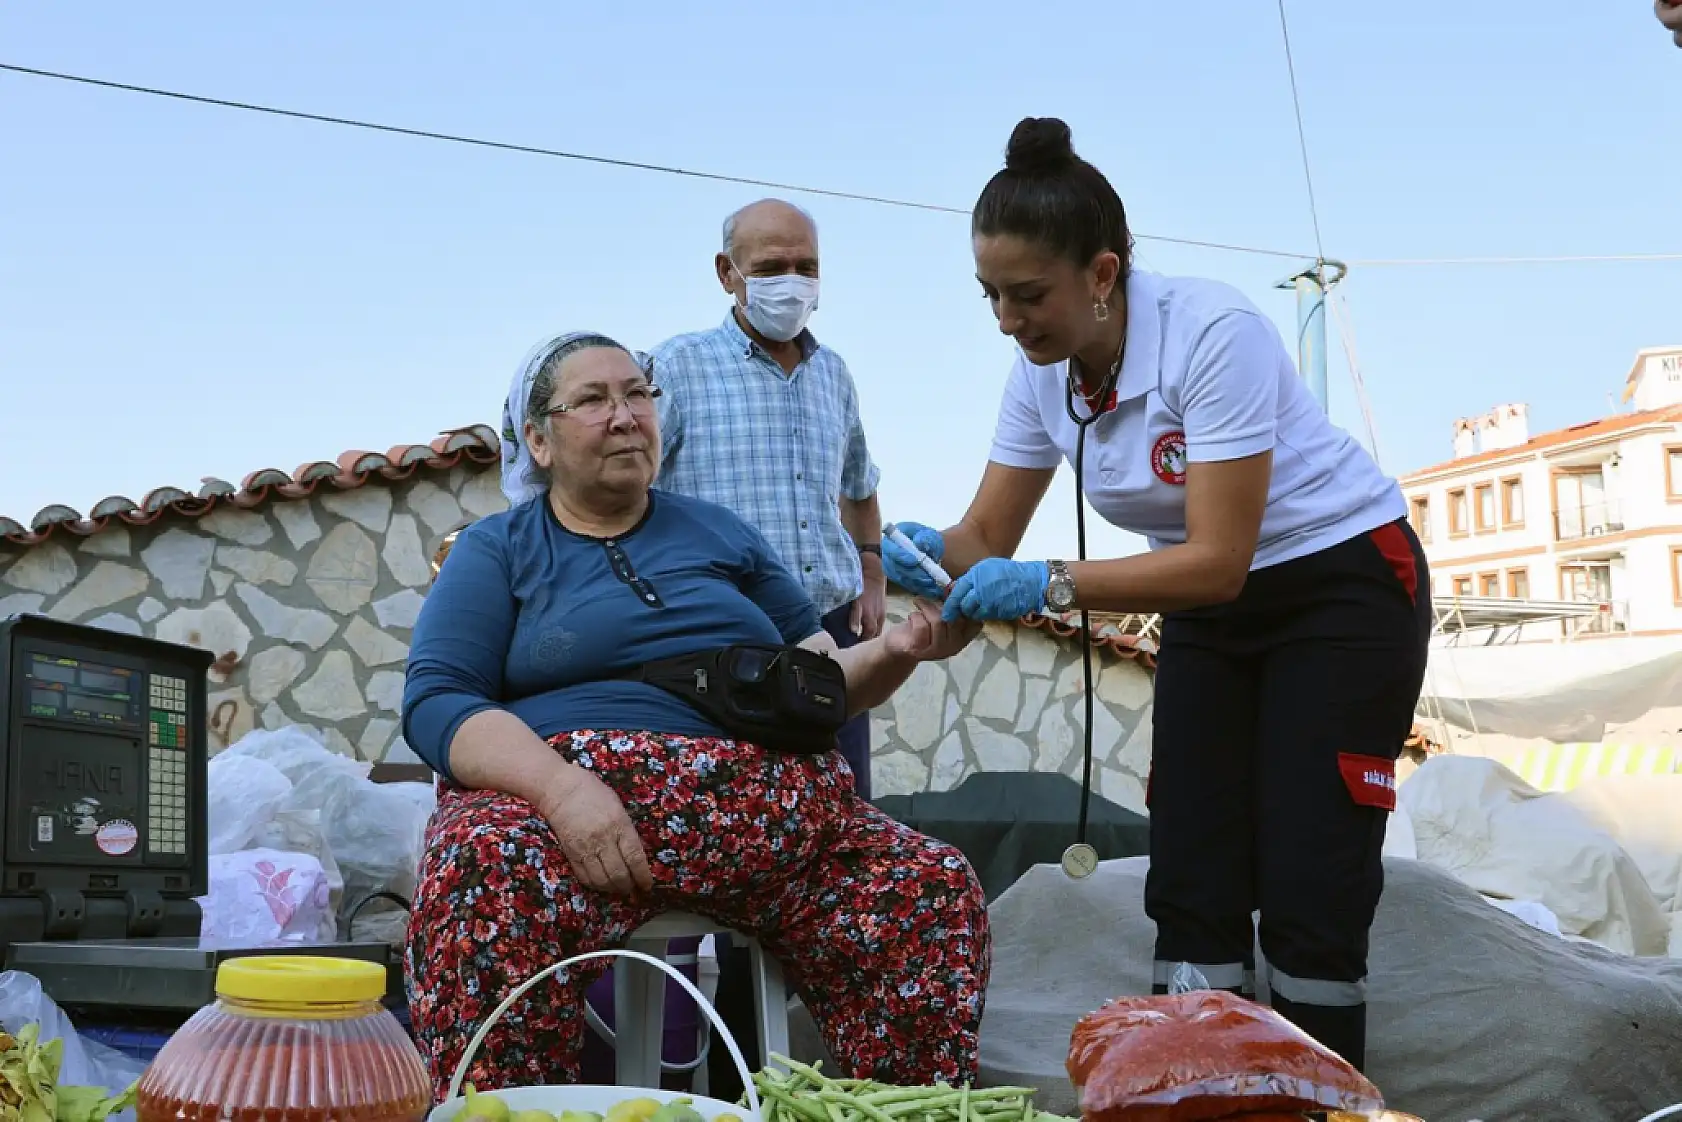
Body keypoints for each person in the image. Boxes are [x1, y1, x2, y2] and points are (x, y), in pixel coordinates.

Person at [882, 118, 1431, 1073]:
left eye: (1027, 295)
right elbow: (984, 542)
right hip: (1210, 607)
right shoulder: (1041, 374)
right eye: (991, 296)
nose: (1007, 321)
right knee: (1193, 858)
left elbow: (1218, 557)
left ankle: (1319, 1089)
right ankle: (1205, 1081)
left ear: (1102, 274)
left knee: (1310, 868)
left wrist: (1050, 583)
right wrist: (931, 564)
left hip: (1337, 585)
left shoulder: (1214, 334)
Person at [401, 331, 990, 1098]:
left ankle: (911, 1116)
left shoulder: (720, 533)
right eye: (593, 400)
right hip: (571, 829)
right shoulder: (499, 549)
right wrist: (561, 789)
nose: (624, 415)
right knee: (482, 868)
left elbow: (815, 681)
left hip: (778, 830)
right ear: (538, 442)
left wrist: (902, 648)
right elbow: (440, 699)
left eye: (637, 393)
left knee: (926, 883)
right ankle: (510, 1112)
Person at [650, 198, 885, 800]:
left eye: (806, 267)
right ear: (728, 273)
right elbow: (629, 489)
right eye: (772, 267)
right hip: (723, 635)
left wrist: (872, 565)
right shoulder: (676, 368)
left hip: (831, 635)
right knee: (737, 816)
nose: (793, 282)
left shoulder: (834, 373)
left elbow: (859, 483)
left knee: (841, 811)